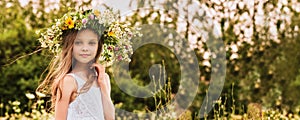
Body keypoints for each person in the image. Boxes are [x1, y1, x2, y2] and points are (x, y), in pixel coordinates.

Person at [36, 8, 137, 120]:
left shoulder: (104, 79)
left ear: (98, 47)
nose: (85, 48)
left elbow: (110, 118)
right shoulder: (69, 81)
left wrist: (102, 84)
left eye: (91, 43)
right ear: (71, 46)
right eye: (79, 43)